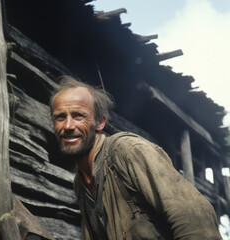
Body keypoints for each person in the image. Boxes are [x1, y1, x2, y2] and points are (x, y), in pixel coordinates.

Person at [50, 75, 222, 240]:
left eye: (78, 116)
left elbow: (195, 216)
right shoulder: (81, 184)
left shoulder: (126, 151)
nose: (68, 126)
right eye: (60, 117)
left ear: (100, 122)